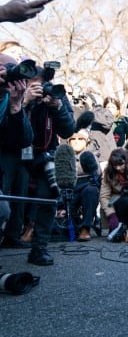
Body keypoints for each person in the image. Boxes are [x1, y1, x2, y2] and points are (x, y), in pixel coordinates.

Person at [22, 65, 76, 265]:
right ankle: (10, 236)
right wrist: (26, 101)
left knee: (48, 198)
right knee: (9, 195)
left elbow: (68, 130)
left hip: (46, 155)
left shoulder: (56, 95)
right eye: (34, 84)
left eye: (43, 84)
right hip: (16, 151)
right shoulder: (18, 90)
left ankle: (39, 248)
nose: (41, 88)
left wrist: (58, 107)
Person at [0, 53, 33, 246]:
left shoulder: (10, 98)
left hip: (12, 157)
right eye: (9, 68)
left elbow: (24, 140)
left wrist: (16, 106)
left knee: (4, 209)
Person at [66, 129, 101, 242]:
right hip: (68, 188)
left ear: (86, 142)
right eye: (73, 139)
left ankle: (86, 228)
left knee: (91, 191)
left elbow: (97, 174)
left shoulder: (91, 156)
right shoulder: (63, 156)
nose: (76, 141)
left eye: (80, 139)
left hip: (85, 187)